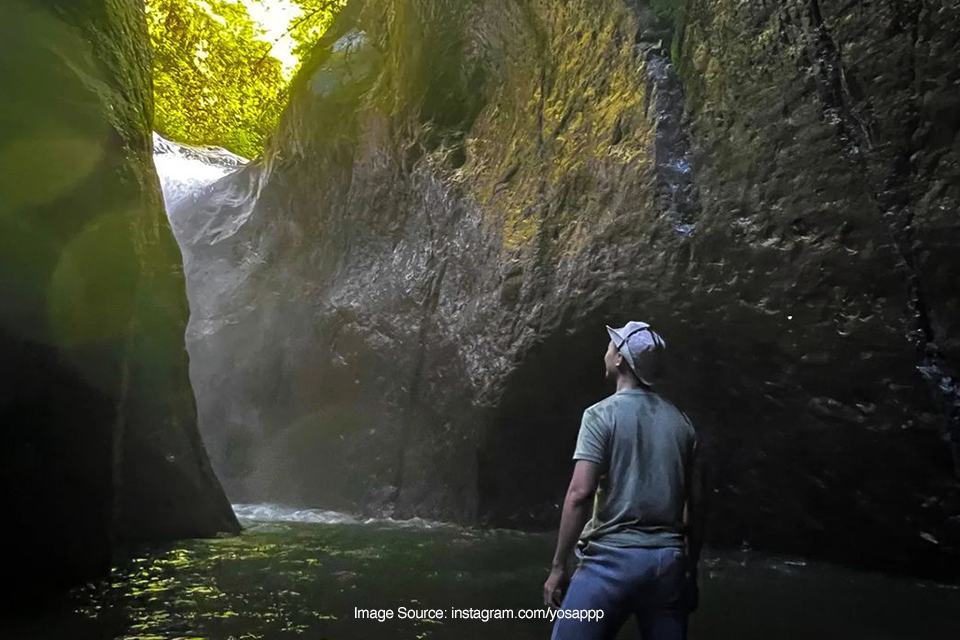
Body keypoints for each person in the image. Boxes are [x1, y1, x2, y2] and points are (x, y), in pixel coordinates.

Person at [543, 321, 705, 640]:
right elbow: (697, 505)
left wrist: (558, 567)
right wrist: (690, 568)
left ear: (619, 359)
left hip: (609, 563)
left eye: (610, 346)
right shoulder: (682, 424)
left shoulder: (600, 415)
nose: (605, 351)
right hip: (667, 565)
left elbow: (580, 493)